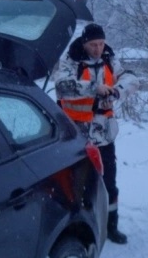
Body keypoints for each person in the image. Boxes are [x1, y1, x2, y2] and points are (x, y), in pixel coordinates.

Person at [53, 23, 138, 244]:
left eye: (101, 43)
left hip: (104, 132)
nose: (98, 48)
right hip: (76, 134)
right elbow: (62, 87)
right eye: (93, 44)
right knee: (77, 185)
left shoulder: (110, 57)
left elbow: (131, 77)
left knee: (109, 182)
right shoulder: (71, 59)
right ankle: (79, 229)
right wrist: (93, 88)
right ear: (84, 43)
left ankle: (112, 226)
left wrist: (117, 91)